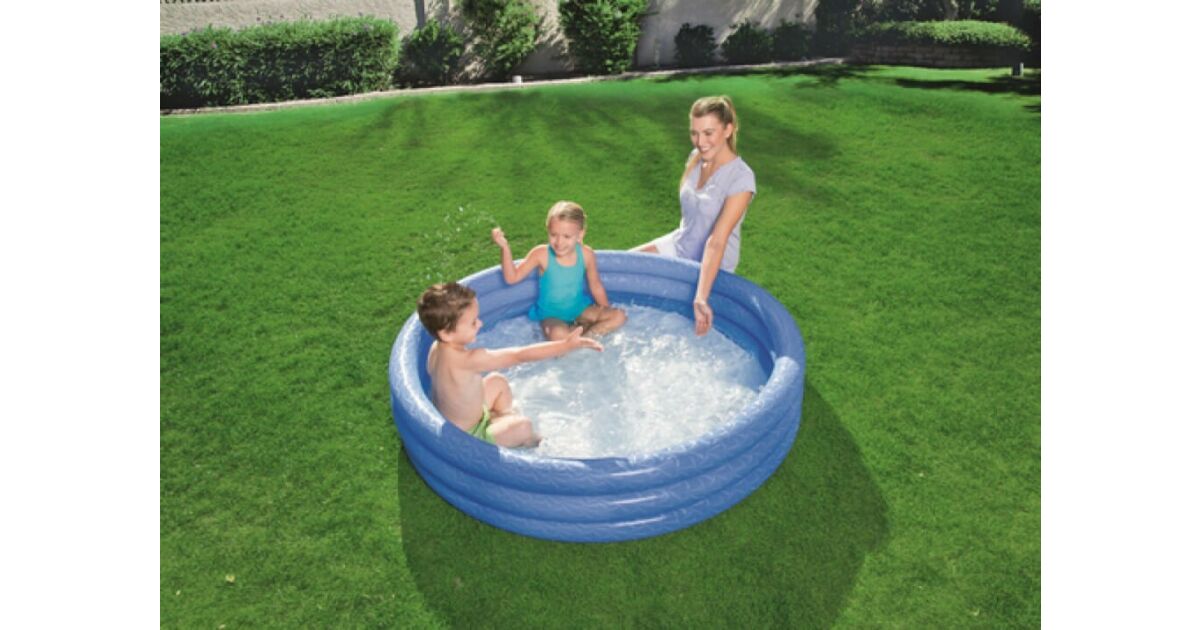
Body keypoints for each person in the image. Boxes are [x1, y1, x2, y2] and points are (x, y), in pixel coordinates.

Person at [417, 282, 602, 447]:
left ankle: (503, 419)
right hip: (468, 436)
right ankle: (529, 443)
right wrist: (564, 345)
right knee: (524, 426)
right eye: (473, 323)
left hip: (461, 419)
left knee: (497, 381)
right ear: (446, 334)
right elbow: (519, 355)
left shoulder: (436, 348)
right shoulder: (468, 360)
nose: (480, 324)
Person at [633, 95, 757, 336]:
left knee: (674, 330)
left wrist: (701, 297)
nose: (700, 142)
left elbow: (717, 241)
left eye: (708, 133)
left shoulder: (741, 178)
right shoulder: (696, 157)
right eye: (694, 133)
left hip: (711, 266)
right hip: (680, 244)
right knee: (622, 264)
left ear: (728, 130)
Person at [492, 200, 627, 341]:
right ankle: (577, 338)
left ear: (580, 234)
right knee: (558, 335)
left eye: (567, 236)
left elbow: (596, 286)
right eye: (553, 235)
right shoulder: (541, 254)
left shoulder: (586, 254)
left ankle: (583, 341)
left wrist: (605, 312)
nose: (559, 242)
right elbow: (511, 278)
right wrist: (505, 248)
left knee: (619, 316)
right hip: (551, 316)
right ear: (548, 230)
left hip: (579, 309)